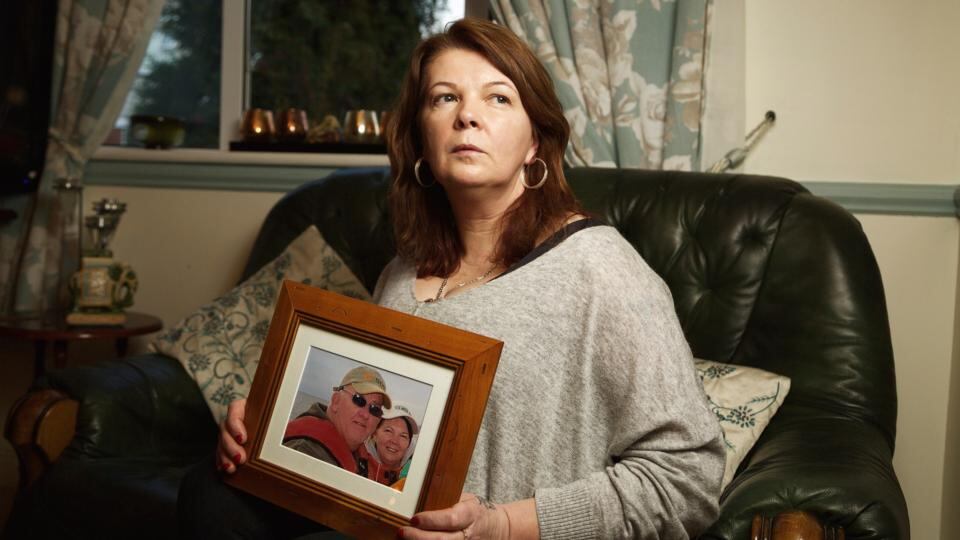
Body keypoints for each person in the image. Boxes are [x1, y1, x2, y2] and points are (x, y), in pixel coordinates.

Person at [182, 18, 724, 540]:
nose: (467, 116)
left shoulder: (602, 270)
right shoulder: (401, 273)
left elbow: (687, 481)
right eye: (445, 98)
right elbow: (377, 437)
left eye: (498, 98)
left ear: (535, 142)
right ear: (421, 138)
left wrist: (503, 527)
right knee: (212, 489)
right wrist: (267, 430)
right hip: (386, 523)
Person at [282, 366, 392, 473]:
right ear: (336, 401)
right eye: (358, 400)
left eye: (375, 409)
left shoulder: (360, 459)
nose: (365, 415)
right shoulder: (306, 454)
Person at [357, 402, 420, 487]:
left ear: (409, 444)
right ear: (374, 434)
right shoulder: (355, 464)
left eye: (403, 436)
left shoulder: (416, 478)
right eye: (388, 431)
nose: (394, 441)